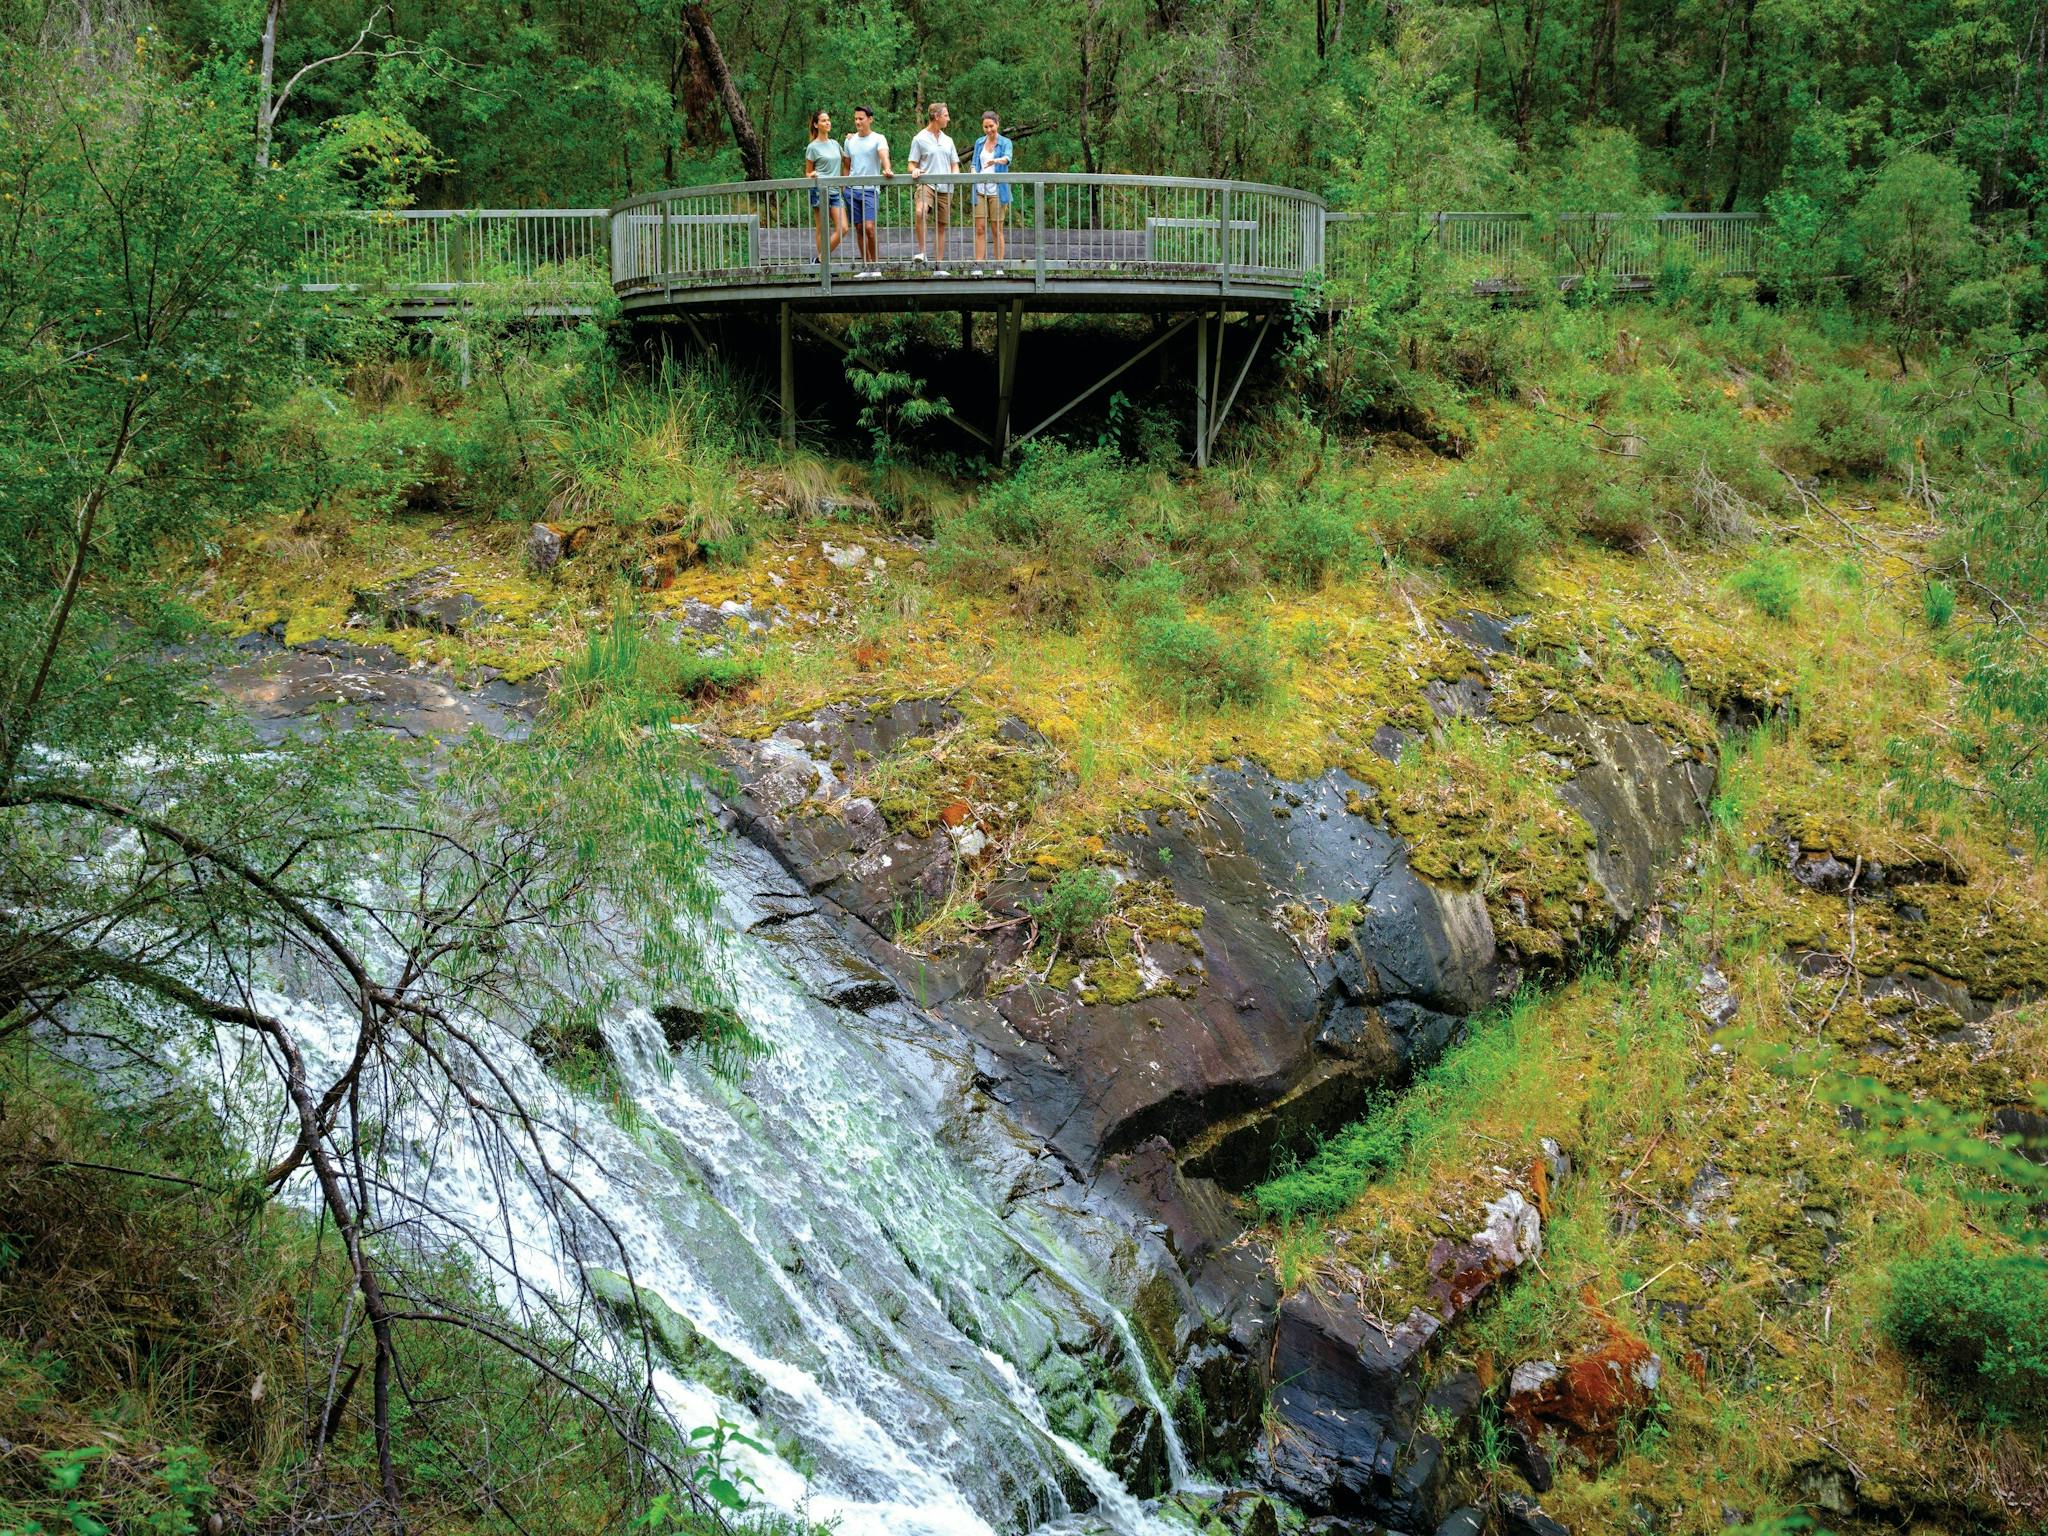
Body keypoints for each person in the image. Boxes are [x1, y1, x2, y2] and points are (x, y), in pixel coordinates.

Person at [907, 101, 958, 273]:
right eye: (946, 115)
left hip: (946, 186)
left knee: (941, 225)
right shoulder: (919, 138)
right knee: (920, 212)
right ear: (936, 117)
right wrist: (914, 171)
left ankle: (938, 266)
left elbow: (954, 164)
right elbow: (911, 164)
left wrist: (955, 176)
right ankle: (922, 252)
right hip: (926, 183)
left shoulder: (948, 140)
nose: (948, 119)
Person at [842, 106, 892, 278]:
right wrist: (844, 187)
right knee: (859, 227)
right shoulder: (849, 141)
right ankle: (866, 266)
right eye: (855, 118)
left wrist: (887, 169)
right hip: (851, 190)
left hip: (870, 190)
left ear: (870, 119)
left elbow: (883, 155)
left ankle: (875, 266)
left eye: (861, 119)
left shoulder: (878, 138)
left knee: (869, 227)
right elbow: (847, 165)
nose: (857, 122)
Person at [970, 110, 1013, 275]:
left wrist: (995, 160)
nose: (989, 130)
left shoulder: (1005, 142)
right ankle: (978, 266)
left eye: (991, 126)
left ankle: (998, 266)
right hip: (980, 190)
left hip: (998, 190)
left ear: (997, 124)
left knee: (997, 228)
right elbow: (974, 163)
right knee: (980, 228)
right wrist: (973, 172)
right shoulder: (979, 142)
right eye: (985, 127)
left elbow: (1007, 158)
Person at [804, 109, 847, 265]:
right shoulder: (812, 147)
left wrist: (852, 138)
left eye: (828, 120)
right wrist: (812, 175)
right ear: (816, 125)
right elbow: (807, 172)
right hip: (819, 190)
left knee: (843, 228)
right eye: (823, 121)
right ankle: (825, 266)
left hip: (835, 191)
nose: (827, 123)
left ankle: (820, 260)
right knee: (822, 228)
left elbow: (847, 160)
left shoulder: (835, 144)